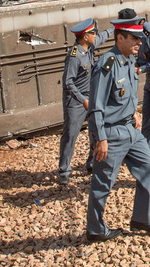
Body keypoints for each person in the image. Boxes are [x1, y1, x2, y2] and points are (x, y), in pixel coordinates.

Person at [86, 15, 150, 241]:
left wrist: (133, 113)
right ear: (120, 38)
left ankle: (142, 218)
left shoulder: (129, 58)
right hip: (111, 134)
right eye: (134, 38)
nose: (139, 43)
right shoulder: (106, 64)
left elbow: (124, 94)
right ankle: (95, 229)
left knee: (149, 167)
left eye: (141, 38)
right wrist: (100, 139)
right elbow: (96, 107)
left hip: (131, 130)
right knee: (102, 184)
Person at [59, 19, 114, 184]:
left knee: (95, 132)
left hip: (90, 97)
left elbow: (103, 36)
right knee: (70, 135)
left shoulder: (89, 47)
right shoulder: (74, 56)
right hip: (76, 101)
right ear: (84, 37)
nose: (95, 35)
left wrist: (115, 27)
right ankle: (64, 171)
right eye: (92, 33)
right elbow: (68, 82)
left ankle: (92, 163)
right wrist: (82, 100)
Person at [118, 8, 150, 163]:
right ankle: (145, 151)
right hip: (149, 77)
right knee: (147, 115)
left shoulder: (149, 32)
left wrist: (140, 69)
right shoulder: (136, 34)